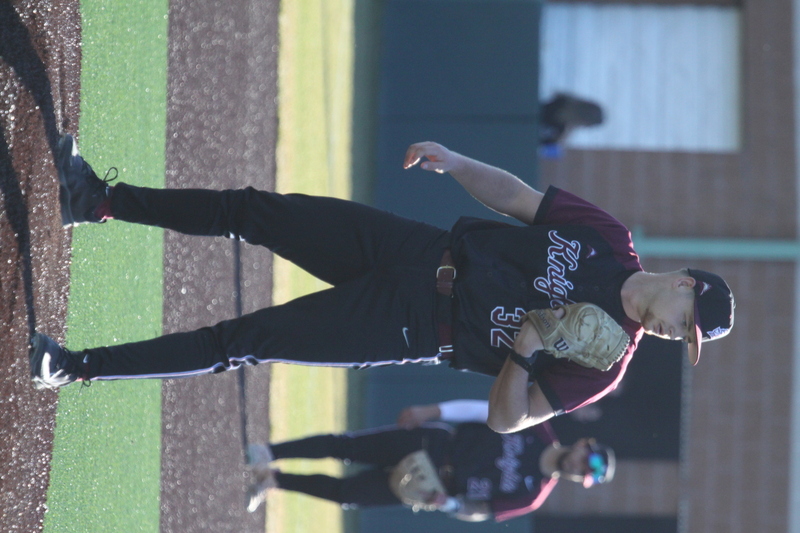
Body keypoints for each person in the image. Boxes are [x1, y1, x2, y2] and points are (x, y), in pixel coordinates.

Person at [30, 134, 735, 432]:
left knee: (244, 338)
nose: (679, 333)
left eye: (687, 339)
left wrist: (524, 349)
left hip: (415, 325)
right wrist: (457, 160)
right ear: (683, 280)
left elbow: (505, 419)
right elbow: (521, 199)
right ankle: (98, 201)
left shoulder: (606, 363)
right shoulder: (610, 241)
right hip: (419, 248)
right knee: (255, 210)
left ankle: (75, 366)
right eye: (689, 316)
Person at [244, 399, 615, 521]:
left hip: (432, 485)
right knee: (347, 447)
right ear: (584, 443)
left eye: (588, 474)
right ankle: (270, 452)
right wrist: (432, 410)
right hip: (435, 444)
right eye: (589, 459)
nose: (581, 467)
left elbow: (481, 510)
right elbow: (481, 410)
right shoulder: (538, 428)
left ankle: (274, 480)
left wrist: (447, 504)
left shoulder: (532, 495)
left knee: (349, 494)